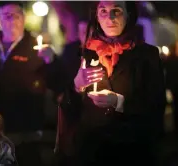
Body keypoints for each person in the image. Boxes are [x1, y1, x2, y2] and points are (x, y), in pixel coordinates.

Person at [56, 1, 166, 166]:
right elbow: (68, 106)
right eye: (103, 11)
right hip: (90, 150)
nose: (110, 17)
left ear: (128, 15)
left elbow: (156, 106)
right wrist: (76, 86)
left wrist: (118, 102)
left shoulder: (147, 55)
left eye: (117, 11)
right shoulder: (86, 52)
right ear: (97, 17)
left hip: (131, 150)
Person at [0, 2, 55, 166]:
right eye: (7, 15)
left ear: (23, 19)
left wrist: (51, 62)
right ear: (0, 19)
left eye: (16, 15)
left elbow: (54, 81)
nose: (12, 19)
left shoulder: (37, 48)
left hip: (26, 130)